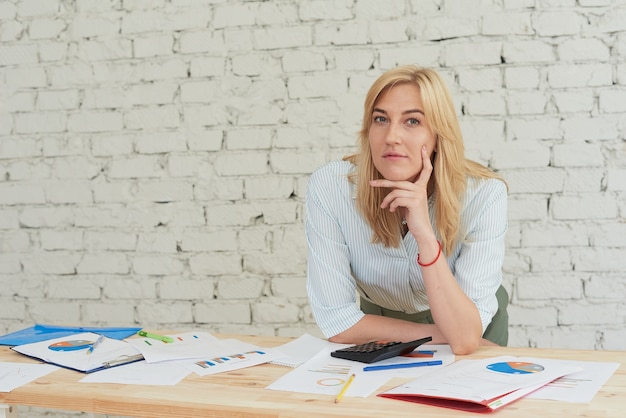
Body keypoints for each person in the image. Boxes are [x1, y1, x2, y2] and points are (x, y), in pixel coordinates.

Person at [305, 65, 509, 355]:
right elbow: (338, 321)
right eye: (380, 119)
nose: (392, 137)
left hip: (473, 323)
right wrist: (442, 334)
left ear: (438, 135)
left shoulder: (483, 194)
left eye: (412, 121)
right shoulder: (331, 187)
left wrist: (425, 234)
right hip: (380, 326)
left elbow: (465, 339)